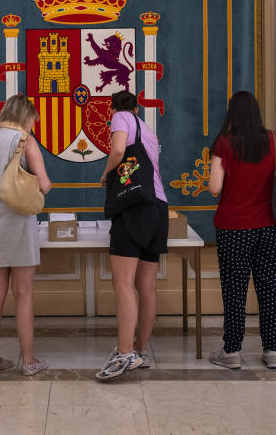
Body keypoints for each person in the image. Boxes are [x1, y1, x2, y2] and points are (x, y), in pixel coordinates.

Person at [207, 91, 276, 370]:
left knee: (234, 289)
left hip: (234, 227)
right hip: (271, 226)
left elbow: (214, 187)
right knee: (270, 287)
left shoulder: (225, 143)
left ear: (232, 113)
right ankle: (272, 351)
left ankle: (232, 352)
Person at [0, 94, 52, 375]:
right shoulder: (24, 141)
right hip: (18, 225)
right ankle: (29, 361)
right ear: (25, 116)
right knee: (23, 294)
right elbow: (44, 185)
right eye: (32, 120)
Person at [95, 90, 168, 381]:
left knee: (123, 282)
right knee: (146, 286)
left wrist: (105, 175)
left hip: (134, 208)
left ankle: (124, 353)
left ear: (116, 108)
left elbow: (117, 150)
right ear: (138, 108)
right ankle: (139, 351)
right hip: (158, 207)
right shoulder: (148, 131)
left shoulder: (119, 117)